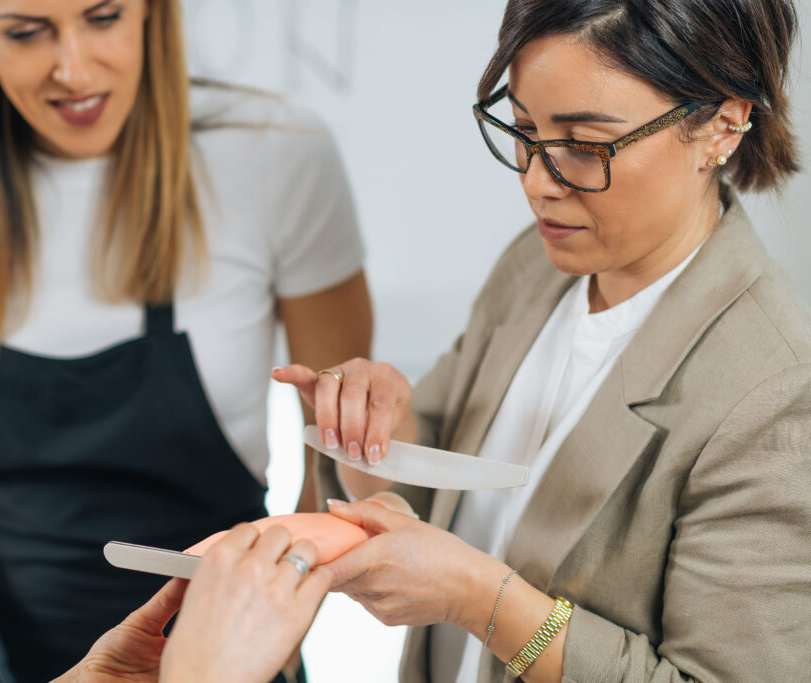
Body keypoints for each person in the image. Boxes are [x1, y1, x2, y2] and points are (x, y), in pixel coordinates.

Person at [0, 2, 332, 682]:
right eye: (25, 31)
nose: (72, 69)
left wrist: (268, 633)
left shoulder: (275, 154)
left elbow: (338, 459)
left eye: (102, 17)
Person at [276, 0, 811, 681]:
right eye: (524, 129)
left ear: (723, 124)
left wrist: (482, 601)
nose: (535, 181)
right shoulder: (536, 266)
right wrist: (374, 427)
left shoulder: (778, 392)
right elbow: (427, 465)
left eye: (586, 146)